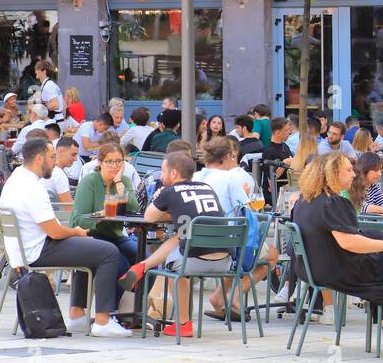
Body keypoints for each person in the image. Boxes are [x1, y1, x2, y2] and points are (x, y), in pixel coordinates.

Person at [285, 153, 383, 348]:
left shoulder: (304, 200)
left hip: (309, 268)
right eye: (348, 170)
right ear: (333, 173)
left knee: (375, 234)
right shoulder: (333, 203)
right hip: (331, 270)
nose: (354, 174)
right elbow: (348, 242)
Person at [0, 138, 131, 337]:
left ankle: (78, 316)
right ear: (38, 158)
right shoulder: (32, 188)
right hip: (38, 250)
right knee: (108, 252)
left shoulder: (15, 179)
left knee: (87, 247)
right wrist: (76, 231)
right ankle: (103, 321)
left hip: (23, 251)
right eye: (52, 157)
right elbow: (54, 231)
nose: (54, 162)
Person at [118, 151, 231, 337]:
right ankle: (142, 266)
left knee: (173, 264)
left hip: (195, 260)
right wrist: (176, 214)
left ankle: (183, 323)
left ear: (173, 174)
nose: (161, 175)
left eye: (163, 171)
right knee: (181, 235)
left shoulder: (170, 191)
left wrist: (161, 196)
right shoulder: (206, 187)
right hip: (224, 261)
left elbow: (149, 216)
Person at [70, 143, 139, 284]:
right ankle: (115, 304)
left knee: (144, 257)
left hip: (115, 236)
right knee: (121, 264)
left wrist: (119, 182)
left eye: (119, 161)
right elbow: (78, 220)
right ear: (100, 163)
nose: (115, 166)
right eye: (109, 162)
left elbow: (134, 208)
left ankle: (138, 299)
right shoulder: (89, 181)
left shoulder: (123, 181)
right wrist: (103, 213)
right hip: (91, 236)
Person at [193, 136, 257, 215]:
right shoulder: (231, 177)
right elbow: (247, 216)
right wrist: (244, 195)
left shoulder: (193, 178)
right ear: (227, 156)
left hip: (194, 226)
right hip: (225, 226)